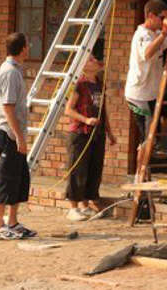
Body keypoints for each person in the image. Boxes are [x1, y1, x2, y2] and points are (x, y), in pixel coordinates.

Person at [125, 0, 167, 183]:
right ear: (151, 16)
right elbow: (147, 53)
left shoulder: (156, 34)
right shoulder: (141, 35)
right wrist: (164, 32)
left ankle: (154, 139)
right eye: (162, 18)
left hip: (152, 94)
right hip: (139, 95)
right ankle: (140, 177)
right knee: (147, 138)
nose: (165, 21)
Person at [62, 40, 116, 221]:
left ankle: (85, 205)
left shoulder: (99, 83)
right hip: (80, 133)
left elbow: (102, 109)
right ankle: (73, 207)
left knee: (93, 169)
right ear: (83, 65)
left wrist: (109, 132)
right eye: (91, 59)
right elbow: (68, 110)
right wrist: (86, 120)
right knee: (78, 170)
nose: (95, 61)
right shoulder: (78, 84)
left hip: (97, 133)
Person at [0, 32, 36, 241]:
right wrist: (18, 136)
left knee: (19, 178)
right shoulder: (9, 72)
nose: (29, 48)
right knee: (5, 179)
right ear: (23, 48)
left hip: (15, 133)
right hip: (8, 134)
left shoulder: (16, 70)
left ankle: (13, 222)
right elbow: (7, 107)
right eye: (27, 45)